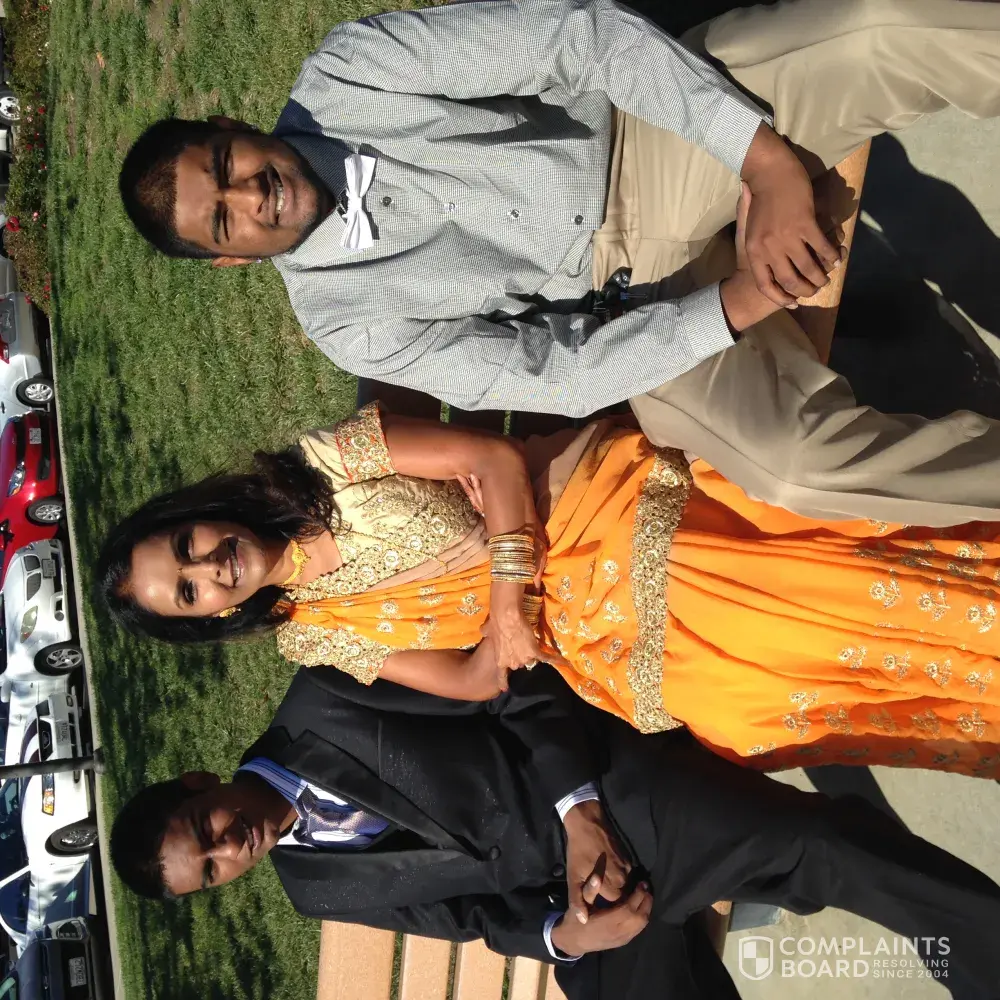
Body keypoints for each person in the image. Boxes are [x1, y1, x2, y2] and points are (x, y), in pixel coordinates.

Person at [99, 192, 1000, 777]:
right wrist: (504, 644)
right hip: (591, 632)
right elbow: (468, 682)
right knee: (742, 707)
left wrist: (506, 598)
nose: (208, 567)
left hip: (590, 512)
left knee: (768, 611)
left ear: (196, 515)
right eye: (190, 592)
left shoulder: (327, 464)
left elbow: (491, 463)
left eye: (185, 546)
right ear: (209, 619)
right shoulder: (312, 635)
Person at [117, 0, 1000, 525]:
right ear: (229, 262)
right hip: (634, 307)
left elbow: (584, 40)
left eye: (226, 166)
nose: (252, 195)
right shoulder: (345, 323)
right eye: (225, 221)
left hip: (649, 142)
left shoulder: (347, 73)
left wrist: (762, 162)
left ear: (230, 128)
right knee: (790, 469)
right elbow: (552, 372)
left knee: (881, 30)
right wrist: (736, 301)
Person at [111, 663, 1000, 1000]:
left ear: (198, 782)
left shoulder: (322, 697)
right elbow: (467, 919)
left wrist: (580, 815)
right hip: (583, 917)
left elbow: (512, 684)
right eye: (213, 871)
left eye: (206, 829)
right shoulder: (313, 889)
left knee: (822, 849)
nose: (231, 848)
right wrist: (568, 935)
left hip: (607, 791)